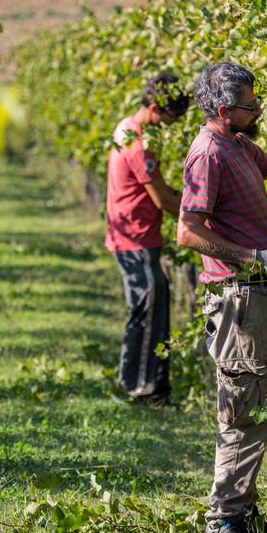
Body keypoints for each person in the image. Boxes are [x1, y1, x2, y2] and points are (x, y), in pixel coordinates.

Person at [177, 61, 267, 533]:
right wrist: (255, 256)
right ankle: (225, 524)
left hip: (258, 295)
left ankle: (242, 515)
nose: (259, 111)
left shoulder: (238, 145)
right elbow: (188, 231)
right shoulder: (207, 153)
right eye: (252, 106)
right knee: (243, 410)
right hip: (239, 296)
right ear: (226, 109)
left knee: (257, 406)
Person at [105, 73, 188, 405]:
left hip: (132, 235)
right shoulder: (138, 144)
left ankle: (152, 387)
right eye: (167, 118)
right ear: (154, 107)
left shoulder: (126, 127)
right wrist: (204, 211)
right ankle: (136, 387)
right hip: (135, 239)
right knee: (146, 309)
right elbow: (163, 200)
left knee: (153, 307)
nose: (168, 126)